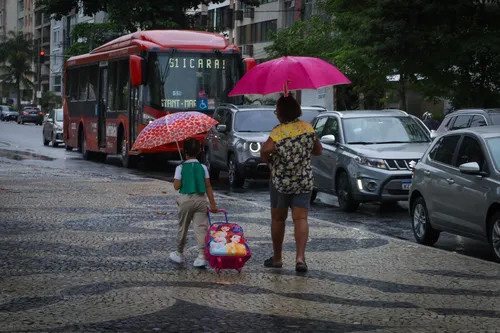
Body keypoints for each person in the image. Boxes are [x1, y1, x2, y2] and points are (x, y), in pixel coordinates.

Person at [260, 95, 323, 272]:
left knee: (279, 219)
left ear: (280, 112)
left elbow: (265, 150)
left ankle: (278, 258)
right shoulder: (307, 128)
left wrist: (270, 162)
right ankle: (300, 258)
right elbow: (318, 151)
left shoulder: (278, 132)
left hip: (281, 182)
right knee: (301, 218)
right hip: (303, 180)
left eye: (276, 111)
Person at [170, 138, 218, 267]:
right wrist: (212, 204)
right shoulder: (203, 167)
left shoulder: (180, 167)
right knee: (201, 228)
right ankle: (202, 256)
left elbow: (176, 186)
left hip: (185, 199)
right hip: (201, 200)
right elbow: (208, 186)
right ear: (199, 151)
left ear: (184, 152)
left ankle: (179, 253)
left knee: (183, 226)